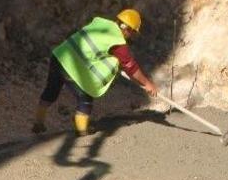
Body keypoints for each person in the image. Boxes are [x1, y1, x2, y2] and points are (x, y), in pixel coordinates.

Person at [32, 8, 158, 136]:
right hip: (72, 66)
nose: (132, 36)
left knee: (51, 90)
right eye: (133, 33)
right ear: (128, 29)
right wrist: (147, 84)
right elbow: (131, 68)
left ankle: (38, 122)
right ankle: (81, 130)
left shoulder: (101, 23)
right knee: (85, 97)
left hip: (59, 56)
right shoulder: (118, 42)